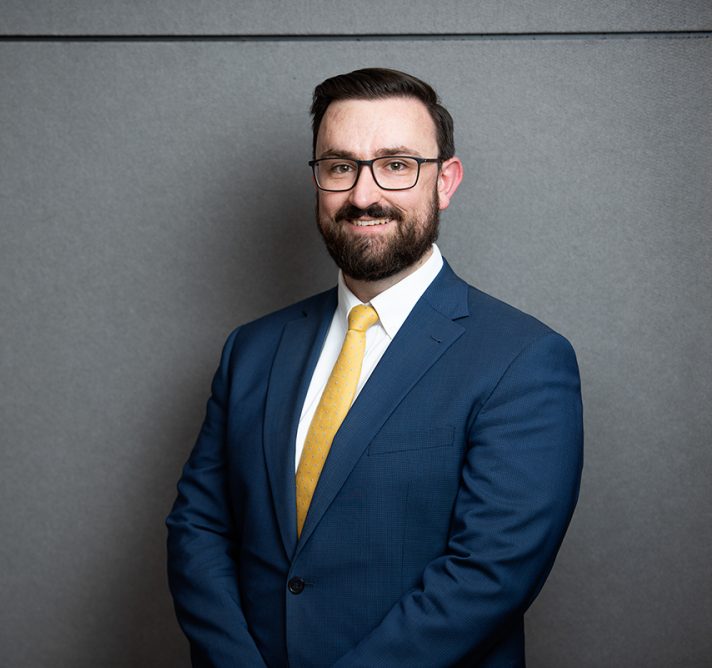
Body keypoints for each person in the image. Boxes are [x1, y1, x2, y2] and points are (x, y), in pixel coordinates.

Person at [166, 67, 583, 667]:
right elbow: (198, 530)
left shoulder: (523, 361)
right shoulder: (252, 349)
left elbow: (487, 575)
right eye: (340, 166)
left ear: (445, 182)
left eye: (396, 165)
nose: (364, 195)